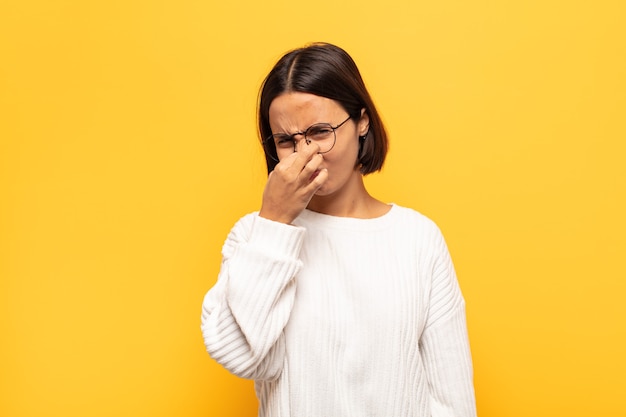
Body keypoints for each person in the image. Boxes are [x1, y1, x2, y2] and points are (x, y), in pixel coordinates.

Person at [201, 42, 476, 417]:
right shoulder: (255, 236)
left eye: (320, 131)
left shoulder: (418, 238)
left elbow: (452, 400)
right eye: (286, 141)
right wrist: (275, 221)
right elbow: (243, 356)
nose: (306, 153)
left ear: (361, 121)